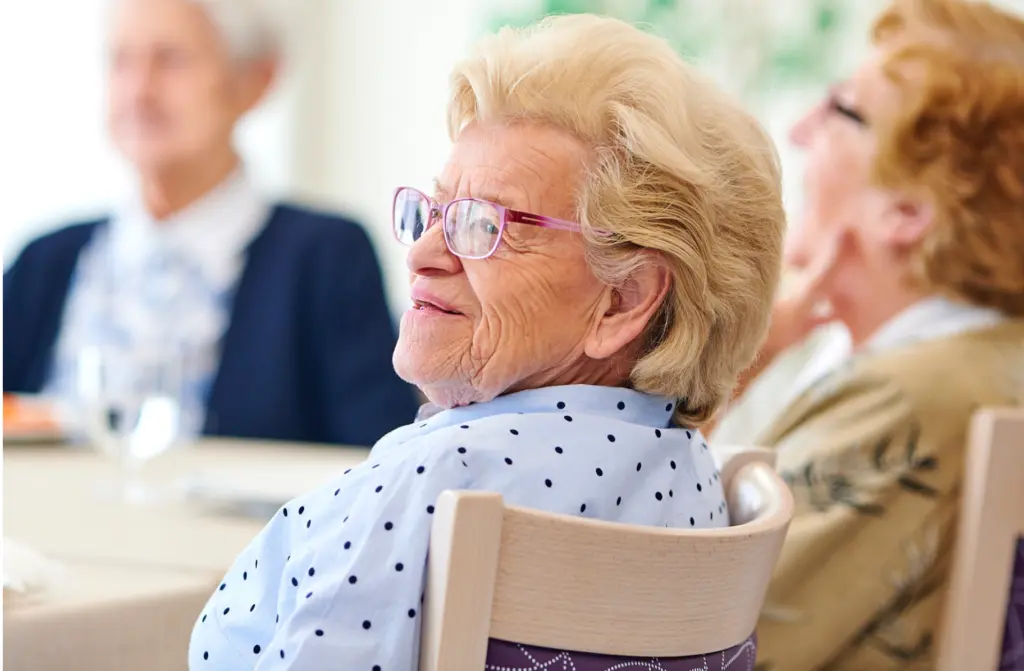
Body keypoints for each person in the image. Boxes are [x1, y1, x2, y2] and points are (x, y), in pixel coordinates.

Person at [188, 14, 786, 670]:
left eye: (486, 224)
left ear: (623, 299)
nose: (421, 253)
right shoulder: (694, 478)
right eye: (436, 211)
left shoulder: (427, 489)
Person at [730, 0, 1024, 668]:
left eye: (841, 110)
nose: (802, 131)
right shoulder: (985, 357)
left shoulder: (913, 396)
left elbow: (687, 633)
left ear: (909, 210)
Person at [2, 0, 418, 446]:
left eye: (171, 60)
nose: (139, 90)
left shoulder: (327, 257)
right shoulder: (44, 261)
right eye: (121, 60)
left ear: (256, 80)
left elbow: (379, 460)